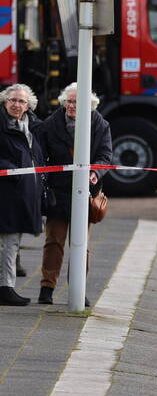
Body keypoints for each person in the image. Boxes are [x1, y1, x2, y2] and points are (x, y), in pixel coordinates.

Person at [33, 83, 113, 306]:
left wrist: (96, 172)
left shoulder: (100, 124)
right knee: (53, 241)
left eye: (76, 102)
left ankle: (79, 289)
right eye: (68, 101)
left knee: (81, 244)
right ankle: (47, 288)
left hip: (85, 192)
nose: (71, 105)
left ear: (90, 105)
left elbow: (106, 156)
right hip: (58, 192)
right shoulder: (51, 124)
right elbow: (40, 156)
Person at [0, 84, 45, 306]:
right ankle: (5, 288)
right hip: (5, 191)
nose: (16, 105)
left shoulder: (32, 126)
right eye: (13, 100)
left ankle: (6, 286)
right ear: (4, 101)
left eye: (21, 101)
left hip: (22, 193)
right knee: (8, 242)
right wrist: (10, 168)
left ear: (29, 106)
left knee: (12, 241)